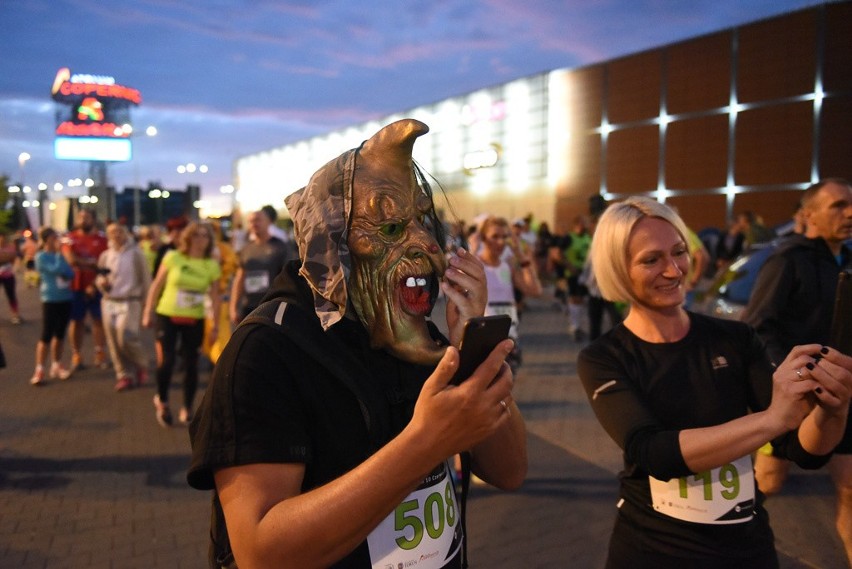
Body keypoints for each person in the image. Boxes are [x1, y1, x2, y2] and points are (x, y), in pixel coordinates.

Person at [187, 119, 527, 568]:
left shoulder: (423, 338)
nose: (426, 243)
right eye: (389, 229)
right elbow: (261, 552)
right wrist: (423, 445)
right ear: (331, 244)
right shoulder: (266, 353)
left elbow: (509, 471)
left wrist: (472, 348)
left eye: (424, 220)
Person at [577, 196, 852, 568]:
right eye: (651, 260)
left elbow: (801, 449)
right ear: (618, 268)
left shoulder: (735, 338)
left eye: (679, 252)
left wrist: (832, 410)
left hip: (745, 546)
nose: (674, 271)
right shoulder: (604, 357)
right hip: (654, 549)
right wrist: (773, 418)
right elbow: (654, 453)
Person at [743, 178, 852, 565]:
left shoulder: (849, 260)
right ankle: (722, 543)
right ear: (808, 214)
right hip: (795, 399)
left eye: (851, 204)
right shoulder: (788, 259)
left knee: (850, 489)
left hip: (843, 397)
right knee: (769, 480)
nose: (850, 213)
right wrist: (794, 386)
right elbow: (757, 327)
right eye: (838, 205)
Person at [143, 222, 221, 427]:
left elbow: (214, 297)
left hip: (194, 317)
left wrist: (215, 327)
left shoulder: (211, 265)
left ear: (209, 240)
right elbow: (156, 286)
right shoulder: (173, 257)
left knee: (191, 363)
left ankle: (187, 407)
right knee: (166, 361)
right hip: (167, 314)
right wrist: (147, 311)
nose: (200, 240)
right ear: (188, 237)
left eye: (205, 236)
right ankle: (162, 399)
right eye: (196, 235)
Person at [478, 215, 542, 372]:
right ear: (483, 238)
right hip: (484, 340)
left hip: (509, 336)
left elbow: (535, 290)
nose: (500, 242)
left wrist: (521, 256)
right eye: (495, 236)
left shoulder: (507, 266)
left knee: (506, 386)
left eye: (504, 237)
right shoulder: (476, 266)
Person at [96, 223, 151, 392]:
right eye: (112, 232)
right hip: (110, 300)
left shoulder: (136, 253)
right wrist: (101, 283)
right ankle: (123, 374)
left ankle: (141, 364)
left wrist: (147, 304)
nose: (117, 235)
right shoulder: (106, 255)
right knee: (112, 341)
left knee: (126, 336)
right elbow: (100, 275)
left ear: (126, 233)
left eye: (119, 231)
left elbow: (146, 279)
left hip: (130, 301)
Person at [62, 208, 110, 370]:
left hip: (97, 286)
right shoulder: (70, 239)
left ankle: (100, 353)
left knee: (99, 321)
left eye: (87, 217)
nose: (83, 220)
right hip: (75, 285)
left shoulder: (103, 239)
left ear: (94, 220)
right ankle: (76, 355)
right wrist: (91, 264)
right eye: (80, 217)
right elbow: (71, 260)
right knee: (76, 321)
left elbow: (105, 264)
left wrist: (94, 275)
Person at [229, 207, 294, 325]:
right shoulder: (247, 248)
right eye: (251, 221)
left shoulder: (280, 247)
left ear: (269, 222)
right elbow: (240, 278)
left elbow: (289, 278)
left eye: (258, 220)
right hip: (248, 306)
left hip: (271, 306)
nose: (254, 224)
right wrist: (233, 307)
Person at [30, 227, 75, 385]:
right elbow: (55, 270)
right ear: (47, 238)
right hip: (50, 298)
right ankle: (40, 368)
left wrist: (62, 260)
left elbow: (70, 273)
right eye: (54, 237)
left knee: (60, 333)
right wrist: (58, 256)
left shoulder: (61, 255)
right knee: (46, 334)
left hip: (65, 297)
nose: (56, 239)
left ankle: (57, 364)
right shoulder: (41, 256)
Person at [0, 232, 22, 324]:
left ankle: (15, 315)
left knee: (11, 295)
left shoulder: (10, 248)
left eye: (2, 238)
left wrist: (15, 267)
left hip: (8, 275)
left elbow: (15, 258)